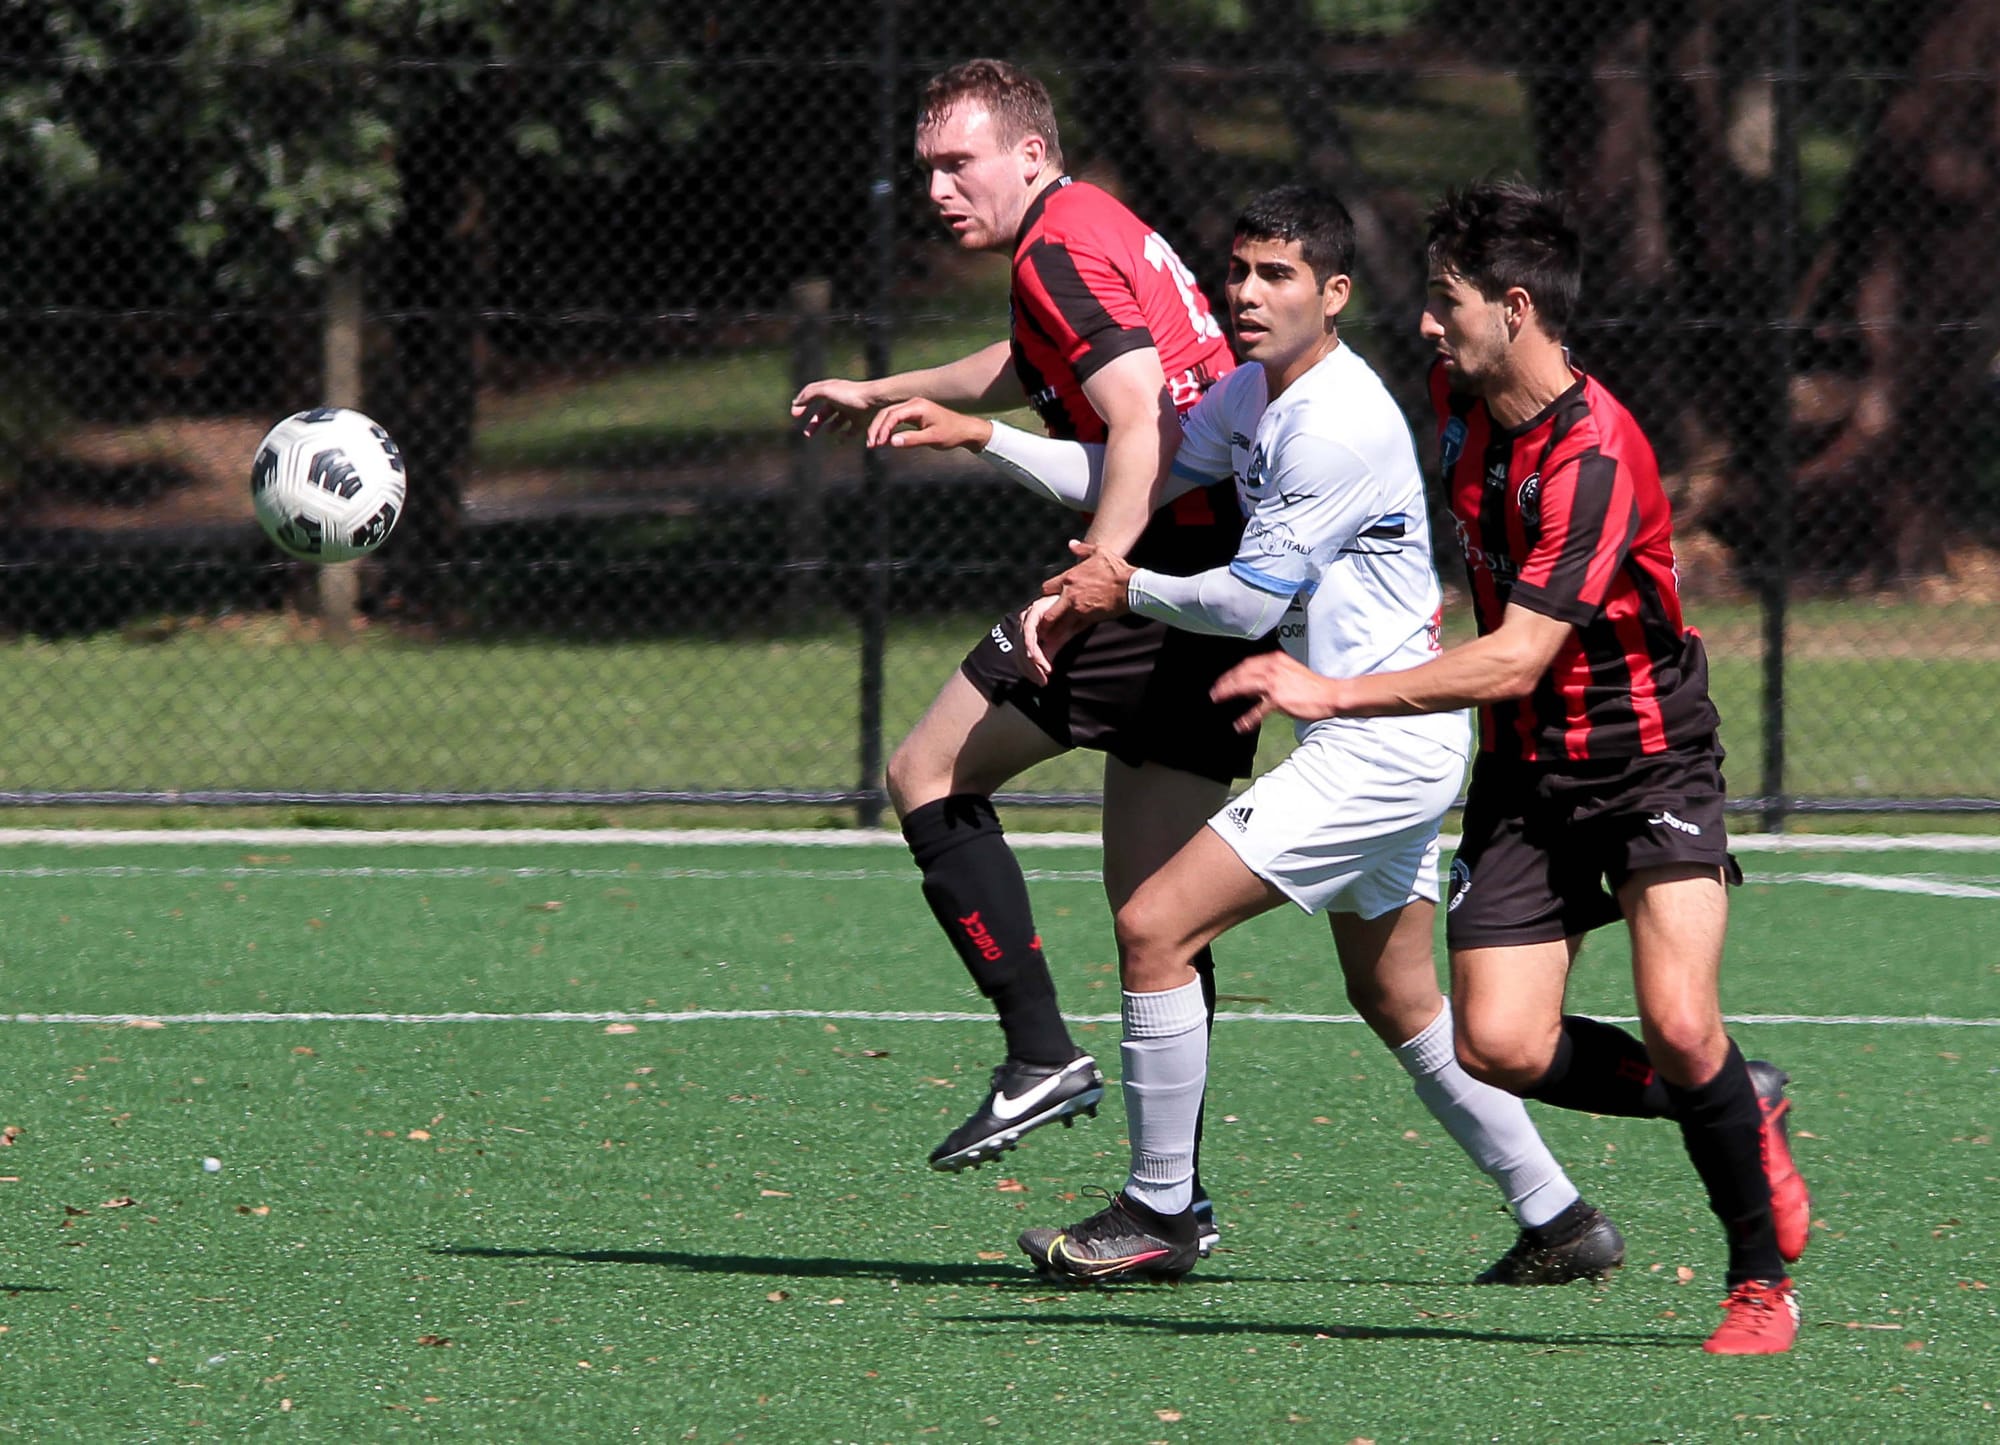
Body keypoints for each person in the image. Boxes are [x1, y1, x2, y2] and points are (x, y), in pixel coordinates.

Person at [891, 184, 1624, 1288]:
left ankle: (1157, 1210)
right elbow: (1124, 472)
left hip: (1372, 750)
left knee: (1152, 926)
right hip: (1388, 742)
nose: (1243, 292)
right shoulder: (1252, 393)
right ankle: (1556, 1214)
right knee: (1394, 995)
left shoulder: (1333, 421)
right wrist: (984, 434)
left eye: (1275, 274)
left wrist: (1117, 584)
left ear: (1331, 294)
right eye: (1235, 271)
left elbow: (1241, 600)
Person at [1212, 179, 1811, 1354]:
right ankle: (1743, 1103)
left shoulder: (1593, 456)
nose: (1426, 324)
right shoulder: (1452, 397)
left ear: (1515, 307)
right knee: (1496, 1043)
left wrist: (1329, 690)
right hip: (1526, 775)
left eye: (1446, 301)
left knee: (1681, 1021)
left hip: (1647, 764)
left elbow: (1517, 654)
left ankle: (1755, 1283)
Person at [790, 59, 1257, 1250]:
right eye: (927, 169)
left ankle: (1038, 1051)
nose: (940, 189)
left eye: (960, 163)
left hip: (1149, 583)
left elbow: (1141, 412)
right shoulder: (1089, 223)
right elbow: (1027, 362)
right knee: (1159, 916)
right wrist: (882, 388)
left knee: (925, 770)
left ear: (1028, 154)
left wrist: (1091, 581)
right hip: (1220, 586)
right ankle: (1171, 1202)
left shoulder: (1053, 249)